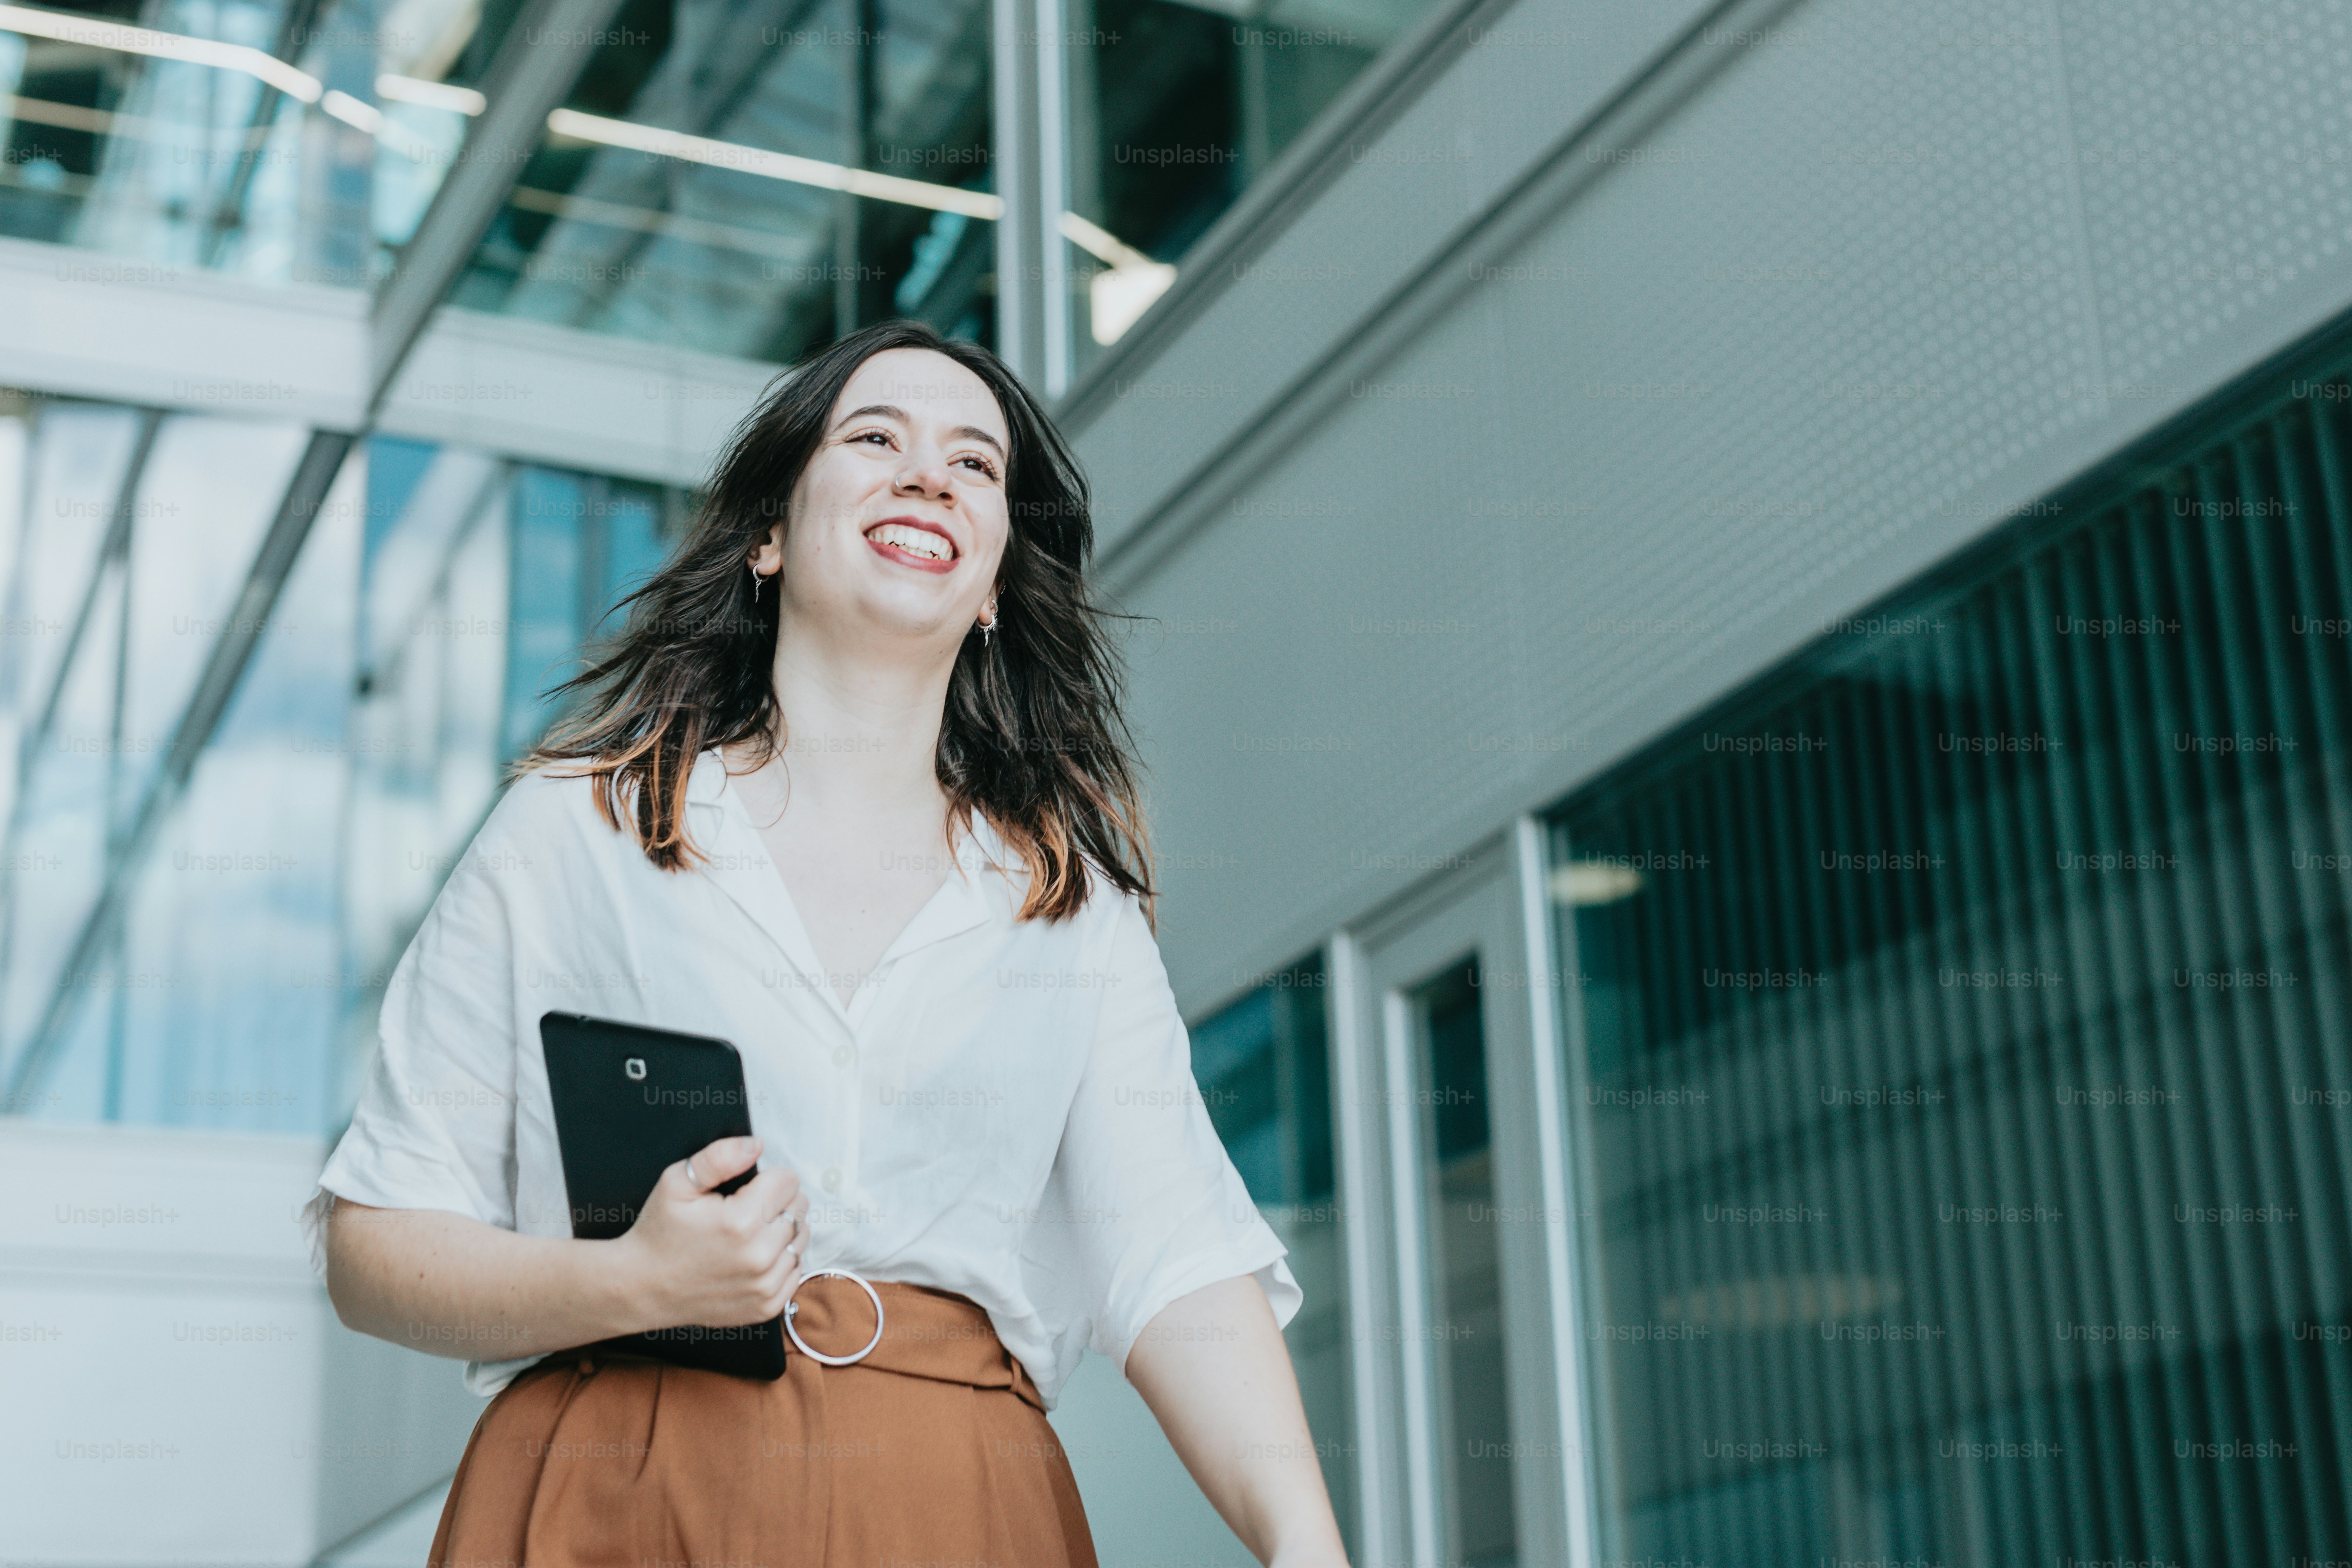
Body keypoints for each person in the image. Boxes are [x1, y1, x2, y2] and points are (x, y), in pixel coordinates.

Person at [303, 320, 1352, 1568]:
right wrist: (635, 1281)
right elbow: (376, 1245)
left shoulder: (1068, 902)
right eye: (875, 438)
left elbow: (1177, 1260)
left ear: (998, 582)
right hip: (619, 1492)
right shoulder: (573, 831)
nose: (929, 475)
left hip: (955, 1503)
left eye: (976, 466)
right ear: (767, 535)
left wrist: (1306, 1547)